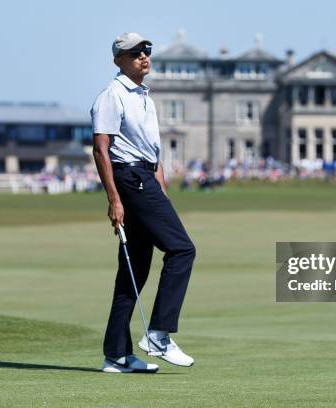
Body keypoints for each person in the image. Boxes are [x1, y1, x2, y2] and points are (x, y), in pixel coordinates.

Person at [90, 32, 196, 374]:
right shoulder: (112, 96)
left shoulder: (144, 96)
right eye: (134, 53)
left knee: (134, 270)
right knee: (182, 250)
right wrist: (114, 200)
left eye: (146, 51)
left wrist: (159, 179)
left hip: (145, 177)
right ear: (118, 60)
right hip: (130, 180)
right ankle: (159, 334)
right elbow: (101, 149)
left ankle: (116, 355)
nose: (143, 56)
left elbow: (149, 147)